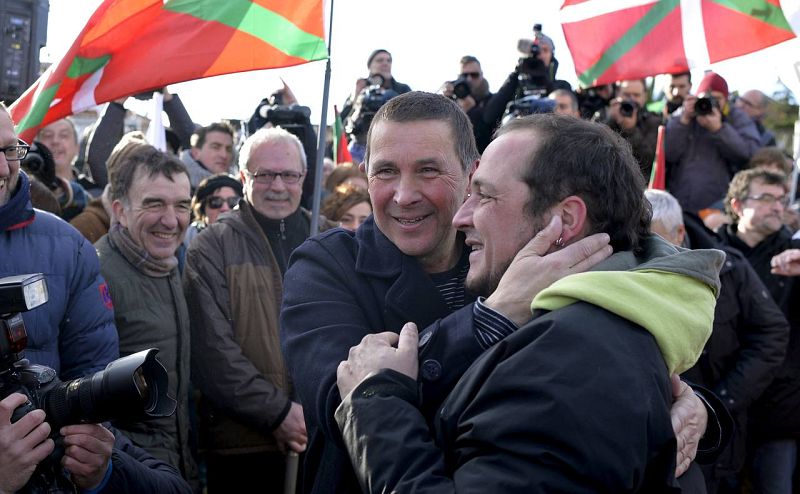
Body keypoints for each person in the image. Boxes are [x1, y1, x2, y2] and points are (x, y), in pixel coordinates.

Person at [281, 92, 722, 494]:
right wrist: (492, 316)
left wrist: (700, 411)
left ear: (471, 172)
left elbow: (632, 353)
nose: (404, 194)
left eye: (429, 171)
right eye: (386, 172)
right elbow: (344, 401)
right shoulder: (326, 265)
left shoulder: (513, 247)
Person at [0, 105, 187, 493]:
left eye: (8, 151)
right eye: (154, 203)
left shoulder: (67, 246)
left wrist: (95, 461)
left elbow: (91, 375)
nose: (3, 169)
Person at [183, 127, 335, 492]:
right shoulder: (212, 247)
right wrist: (278, 414)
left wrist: (319, 411)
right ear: (243, 177)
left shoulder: (330, 239)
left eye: (289, 175)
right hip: (242, 445)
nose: (278, 186)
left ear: (304, 177)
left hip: (324, 437)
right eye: (264, 174)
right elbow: (213, 352)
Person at [647, 189, 789, 493]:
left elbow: (771, 334)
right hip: (655, 439)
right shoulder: (625, 266)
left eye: (653, 240)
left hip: (720, 443)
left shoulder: (730, 268)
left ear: (679, 233)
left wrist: (721, 400)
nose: (643, 252)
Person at [95, 144, 197, 486]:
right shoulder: (96, 275)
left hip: (176, 466)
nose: (171, 220)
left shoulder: (175, 264)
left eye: (182, 205)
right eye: (154, 204)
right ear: (120, 211)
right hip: (130, 473)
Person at [717, 168, 800, 494]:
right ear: (737, 205)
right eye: (766, 198)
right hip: (722, 403)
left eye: (781, 199)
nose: (777, 206)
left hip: (778, 410)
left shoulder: (793, 253)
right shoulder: (710, 251)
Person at [665, 71, 760, 214]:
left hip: (718, 205)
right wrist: (683, 121)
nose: (710, 103)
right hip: (681, 202)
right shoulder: (685, 114)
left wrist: (719, 129)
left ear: (726, 100)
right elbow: (668, 153)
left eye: (717, 99)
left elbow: (748, 154)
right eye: (706, 98)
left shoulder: (737, 118)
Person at [36, 117, 92, 219]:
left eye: (64, 135)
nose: (55, 141)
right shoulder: (29, 191)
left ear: (77, 148)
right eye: (48, 135)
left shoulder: (93, 191)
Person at [606, 79, 662, 179]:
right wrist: (609, 120)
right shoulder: (605, 115)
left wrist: (630, 130)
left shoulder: (654, 122)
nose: (631, 99)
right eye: (627, 95)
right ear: (617, 93)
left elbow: (648, 160)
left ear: (644, 97)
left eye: (636, 95)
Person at [442, 56, 496, 152]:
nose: (469, 79)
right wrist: (446, 101)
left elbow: (486, 139)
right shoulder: (451, 101)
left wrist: (471, 112)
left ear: (482, 75)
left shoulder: (493, 101)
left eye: (474, 75)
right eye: (464, 75)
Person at [183, 173, 242, 248]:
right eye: (216, 202)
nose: (225, 208)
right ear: (202, 209)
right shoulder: (182, 244)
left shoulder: (252, 244)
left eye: (233, 202)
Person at [180, 122, 235, 191]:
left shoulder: (238, 191)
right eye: (216, 147)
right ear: (196, 152)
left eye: (228, 149)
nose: (224, 155)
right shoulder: (177, 189)